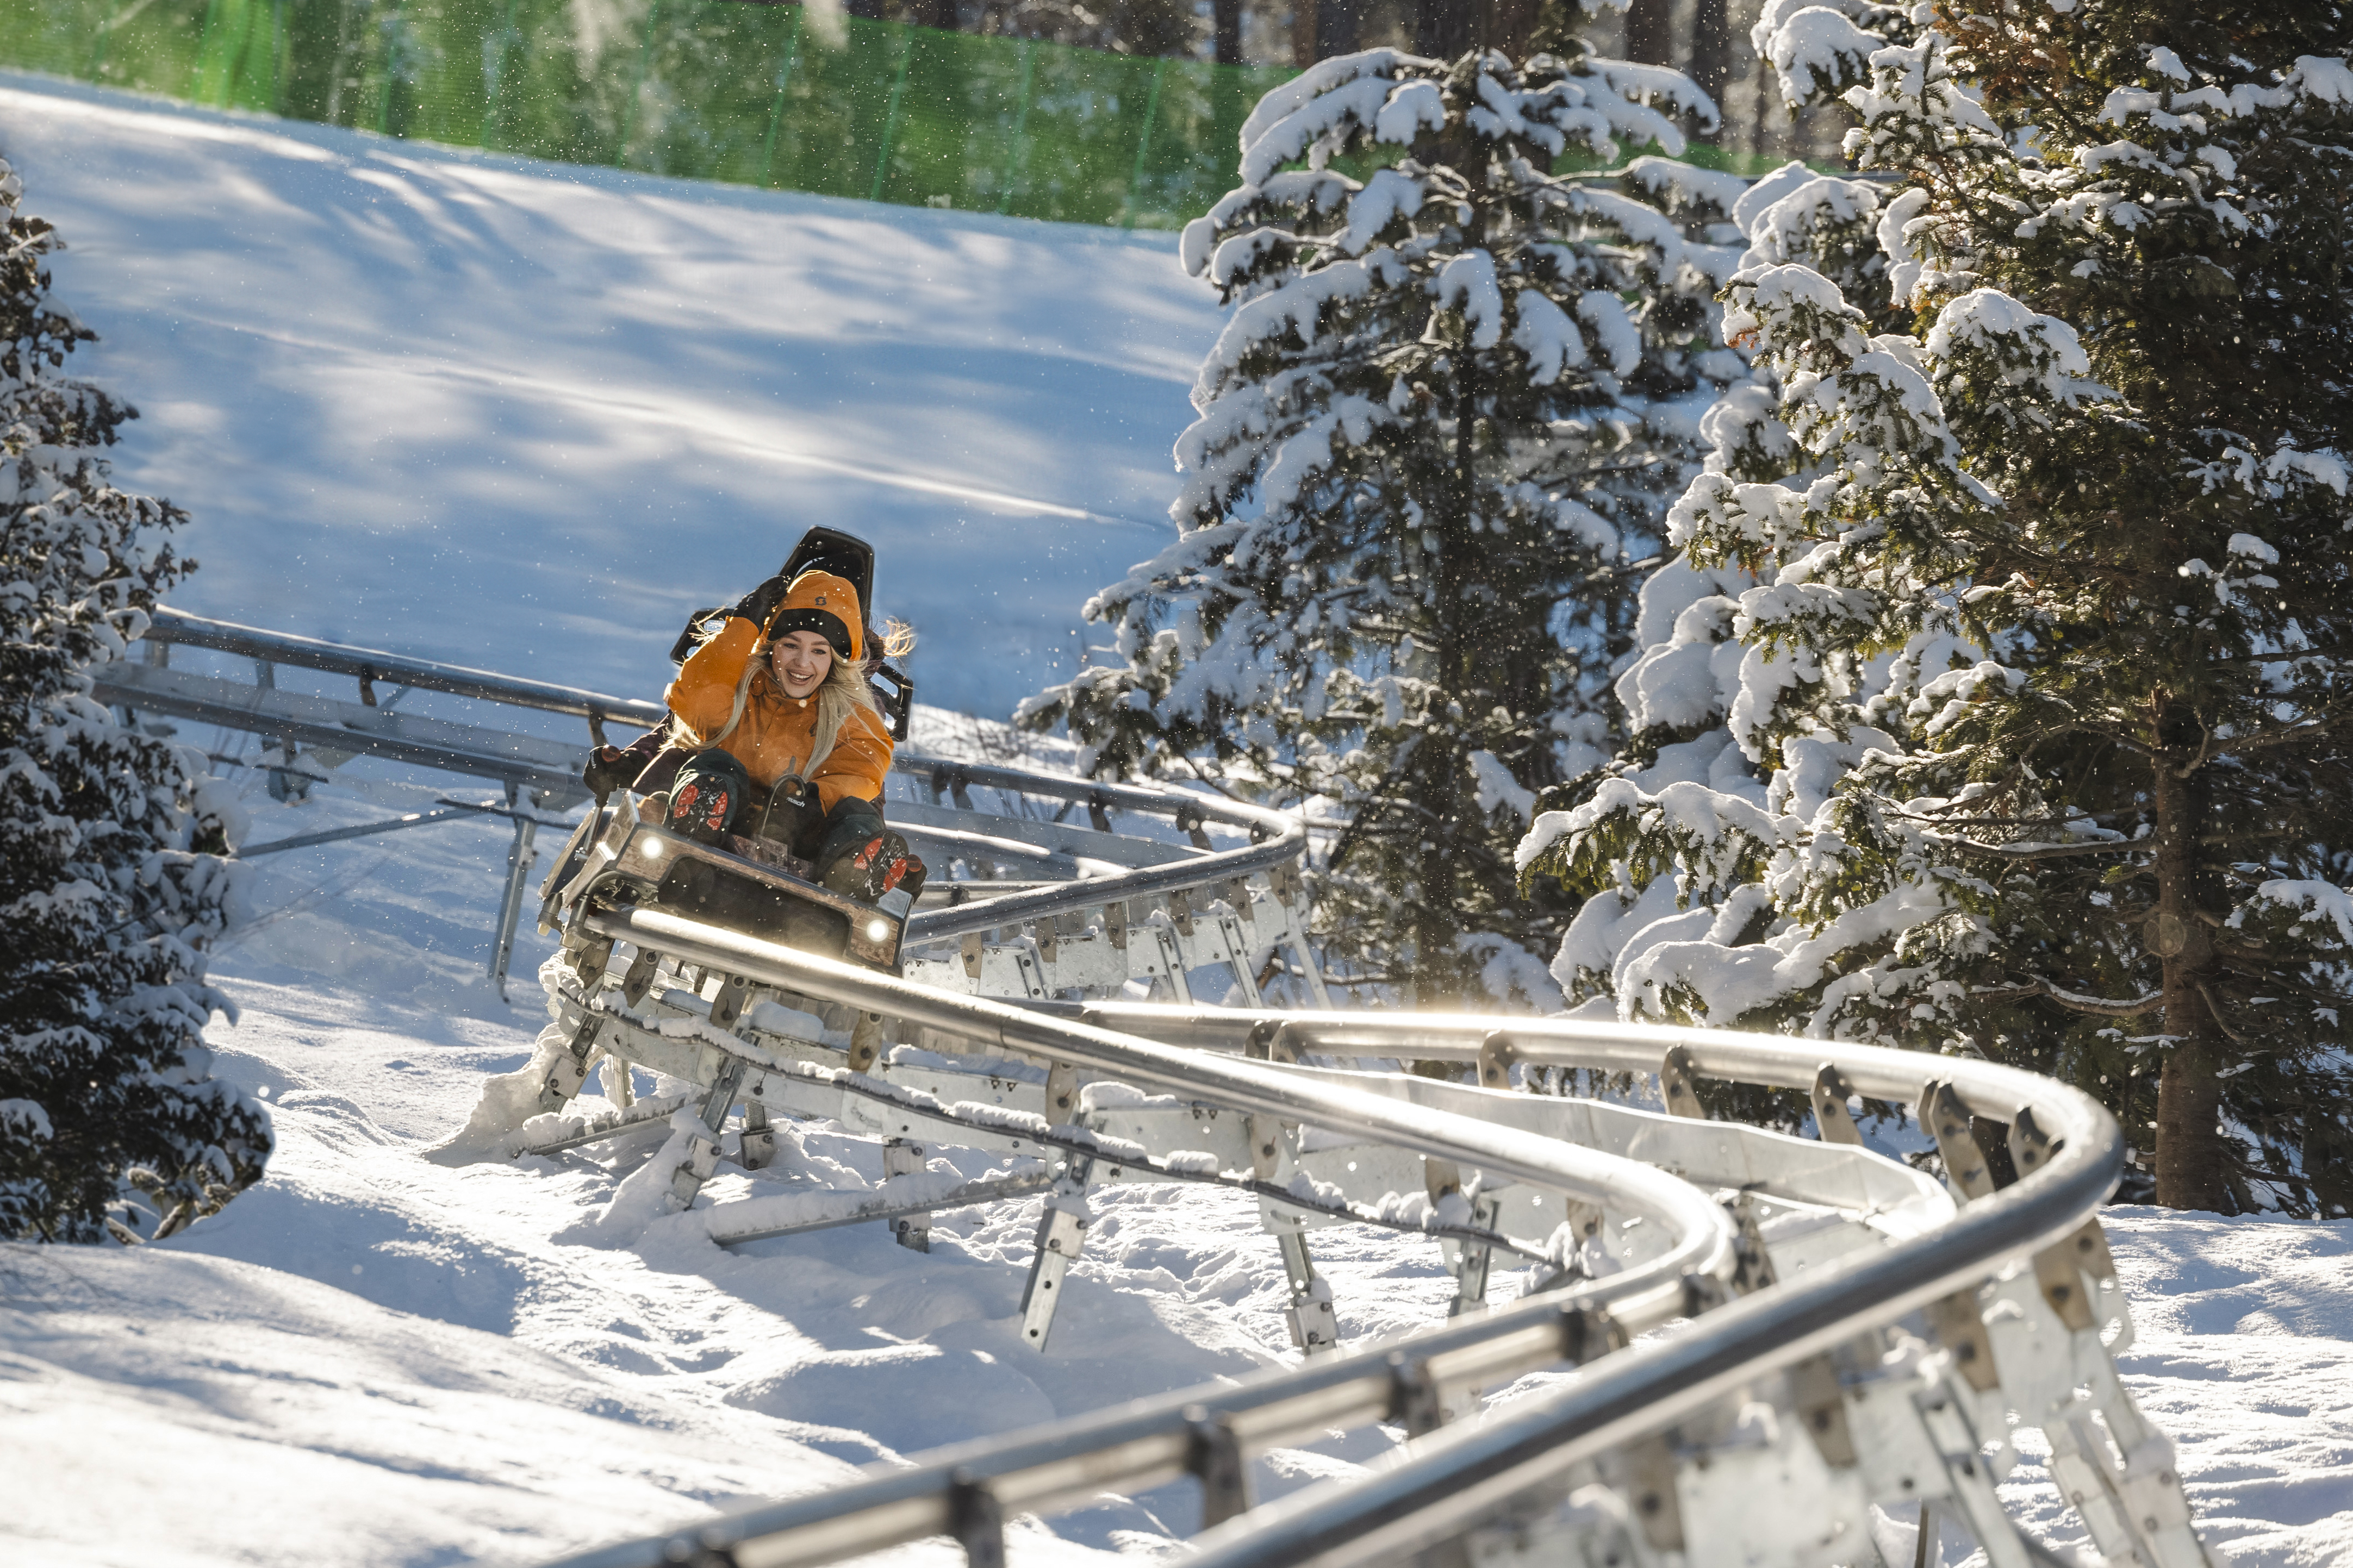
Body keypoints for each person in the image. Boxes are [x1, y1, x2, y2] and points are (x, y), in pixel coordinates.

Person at [584, 569, 921, 905]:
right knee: (717, 765)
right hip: (725, 807)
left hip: (797, 829)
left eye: (820, 651)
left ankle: (855, 870)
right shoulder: (737, 680)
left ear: (837, 659)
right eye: (790, 645)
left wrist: (806, 802)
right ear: (770, 644)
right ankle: (700, 813)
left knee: (854, 814)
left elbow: (861, 776)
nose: (802, 663)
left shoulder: (850, 712)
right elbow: (692, 711)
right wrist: (743, 626)